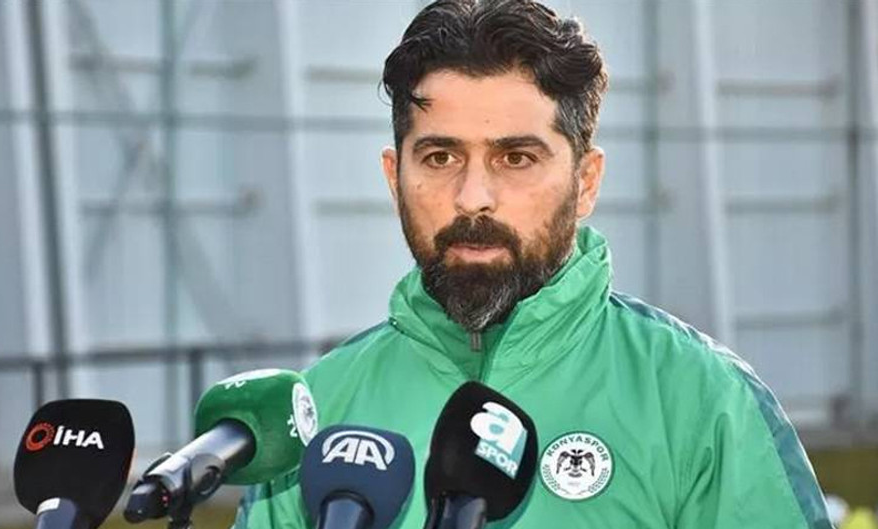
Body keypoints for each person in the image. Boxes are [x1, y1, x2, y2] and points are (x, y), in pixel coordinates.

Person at [233, 0, 832, 527]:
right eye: (440, 157)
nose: (473, 198)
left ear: (586, 181)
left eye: (516, 158)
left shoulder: (703, 399)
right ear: (395, 178)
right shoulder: (321, 407)